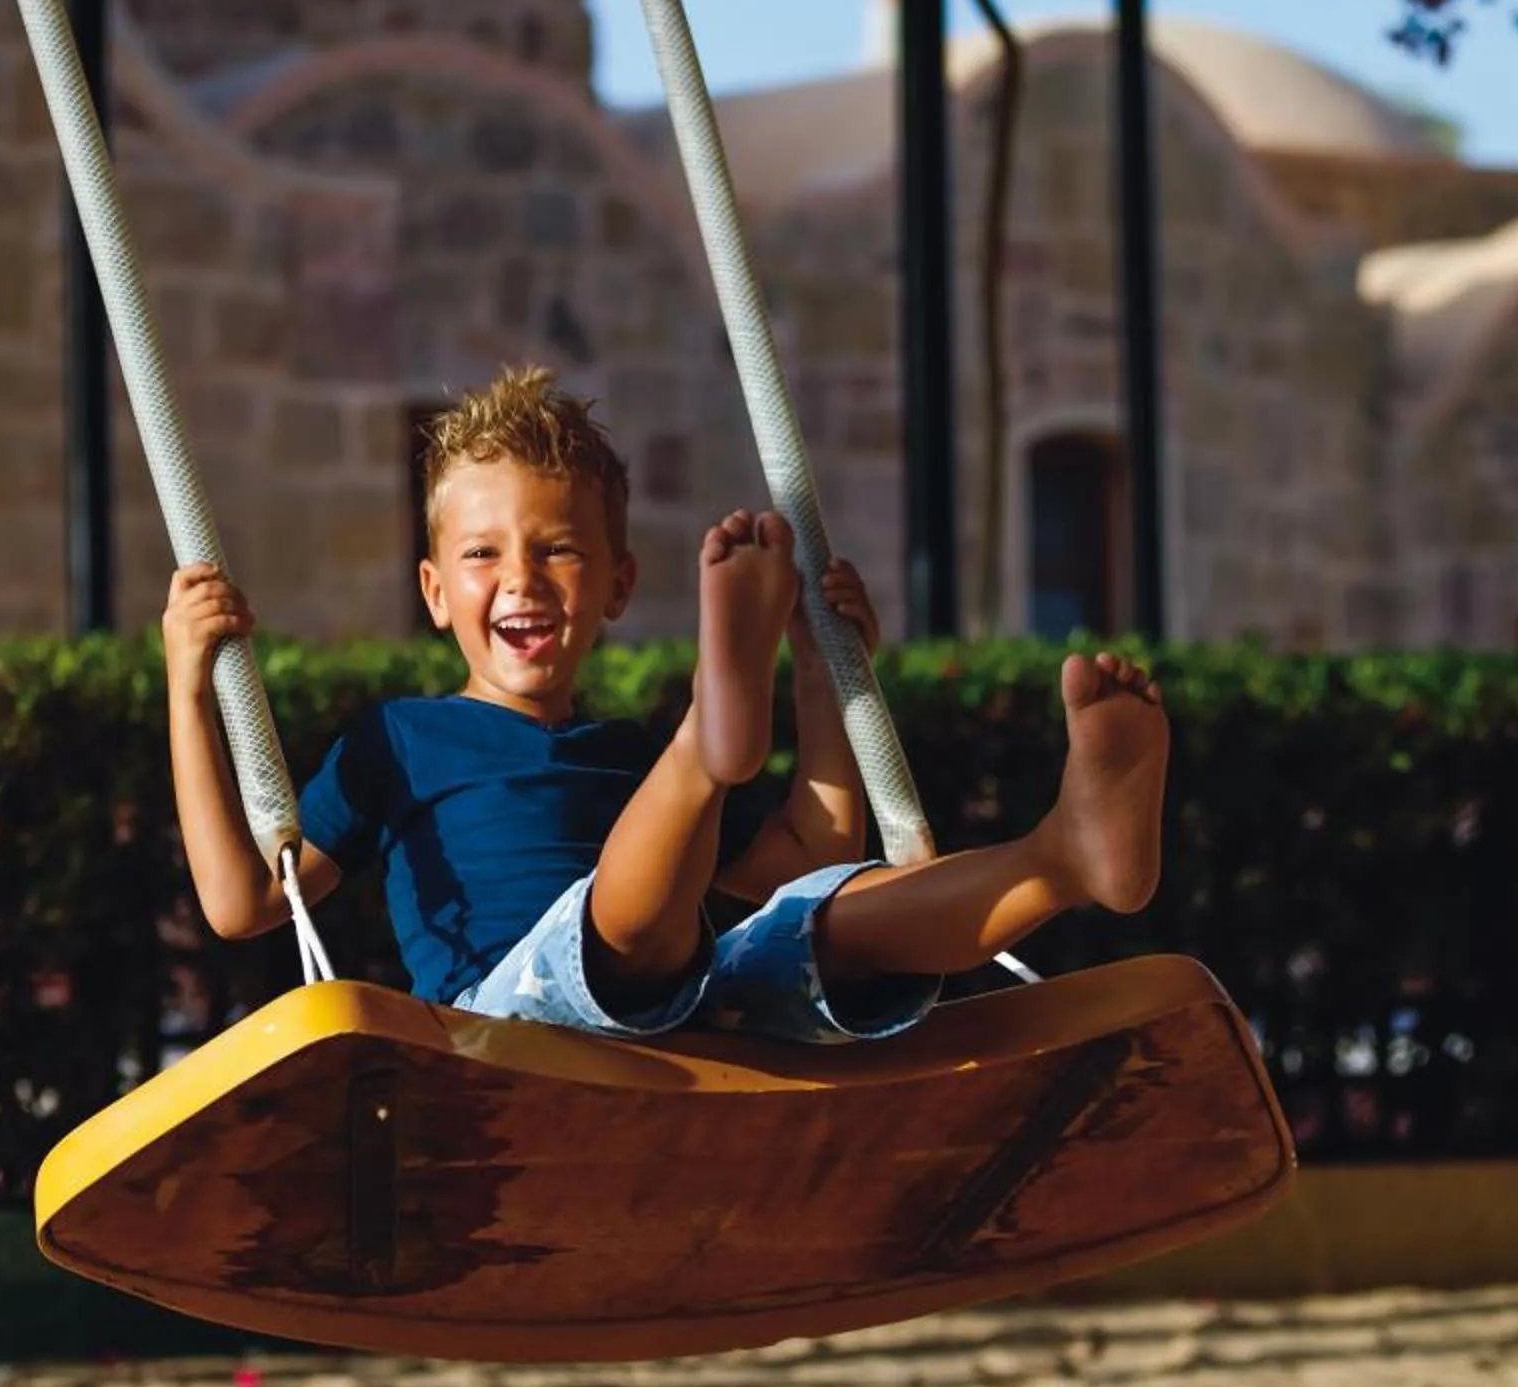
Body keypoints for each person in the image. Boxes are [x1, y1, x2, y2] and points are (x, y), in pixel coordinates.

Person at [162, 364, 1168, 1046]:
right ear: (434, 593)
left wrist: (824, 681)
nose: (522, 577)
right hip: (503, 1029)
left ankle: (1065, 856)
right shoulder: (400, 741)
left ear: (617, 587)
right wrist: (187, 681)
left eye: (558, 548)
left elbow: (810, 852)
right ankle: (714, 720)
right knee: (619, 932)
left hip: (690, 1002)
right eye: (483, 554)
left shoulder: (621, 761)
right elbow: (244, 900)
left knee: (826, 917)